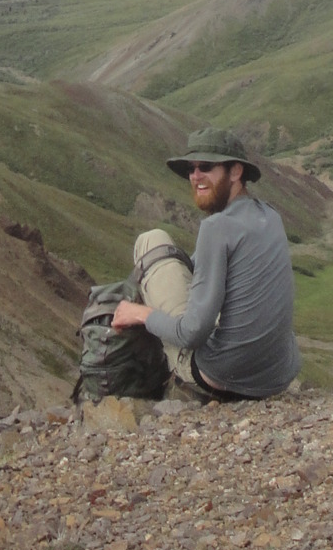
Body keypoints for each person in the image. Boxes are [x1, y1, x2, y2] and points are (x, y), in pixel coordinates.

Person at [111, 127, 300, 401]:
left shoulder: (216, 227)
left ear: (235, 172)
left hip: (225, 377)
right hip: (276, 375)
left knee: (151, 241)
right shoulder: (270, 216)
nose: (195, 176)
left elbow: (191, 334)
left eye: (206, 167)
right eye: (191, 168)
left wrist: (139, 314)